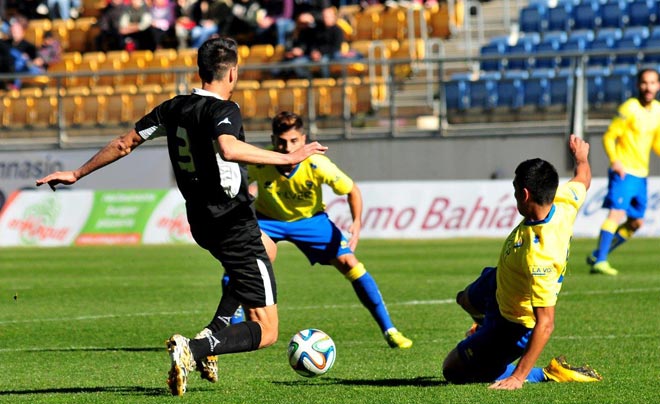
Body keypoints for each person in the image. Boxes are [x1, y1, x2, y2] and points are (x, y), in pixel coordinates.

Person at [35, 36, 328, 397]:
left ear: (201, 70)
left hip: (201, 222)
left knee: (269, 249)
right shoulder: (225, 110)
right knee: (267, 331)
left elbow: (124, 143)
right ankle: (196, 349)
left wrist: (76, 174)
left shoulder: (172, 108)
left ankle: (213, 330)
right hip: (233, 224)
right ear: (232, 72)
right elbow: (229, 147)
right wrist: (288, 158)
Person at [199, 111, 412, 363]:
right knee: (242, 267)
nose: (287, 148)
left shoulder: (317, 164)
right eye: (281, 142)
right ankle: (227, 333)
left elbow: (352, 190)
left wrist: (356, 223)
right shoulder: (261, 161)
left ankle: (389, 330)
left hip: (311, 221)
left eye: (293, 142)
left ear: (304, 140)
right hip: (268, 221)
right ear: (273, 140)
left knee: (350, 264)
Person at [442, 135, 603, 390]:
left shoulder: (541, 254)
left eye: (515, 190)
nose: (514, 195)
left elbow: (546, 323)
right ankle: (481, 328)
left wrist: (518, 377)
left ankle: (547, 373)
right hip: (501, 281)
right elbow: (583, 177)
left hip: (513, 321)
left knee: (452, 370)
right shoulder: (563, 200)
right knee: (464, 298)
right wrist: (580, 158)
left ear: (525, 194)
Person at [587, 68, 660, 276]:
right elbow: (609, 136)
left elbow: (657, 142)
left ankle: (598, 253)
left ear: (658, 86)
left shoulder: (658, 111)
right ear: (638, 85)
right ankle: (600, 261)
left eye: (653, 83)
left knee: (636, 222)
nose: (648, 87)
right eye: (645, 83)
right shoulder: (629, 108)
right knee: (616, 214)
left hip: (641, 175)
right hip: (624, 171)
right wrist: (615, 161)